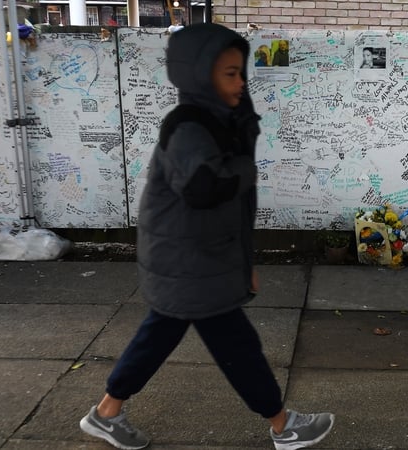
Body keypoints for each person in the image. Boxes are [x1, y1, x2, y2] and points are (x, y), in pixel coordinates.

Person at [78, 23, 334, 450]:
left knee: (158, 336)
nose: (240, 82)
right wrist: (246, 170)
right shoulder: (189, 129)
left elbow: (231, 209)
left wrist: (244, 267)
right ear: (200, 76)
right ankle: (282, 424)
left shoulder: (222, 119)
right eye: (229, 74)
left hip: (194, 257)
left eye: (241, 72)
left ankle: (106, 413)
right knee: (238, 345)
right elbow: (204, 189)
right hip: (188, 260)